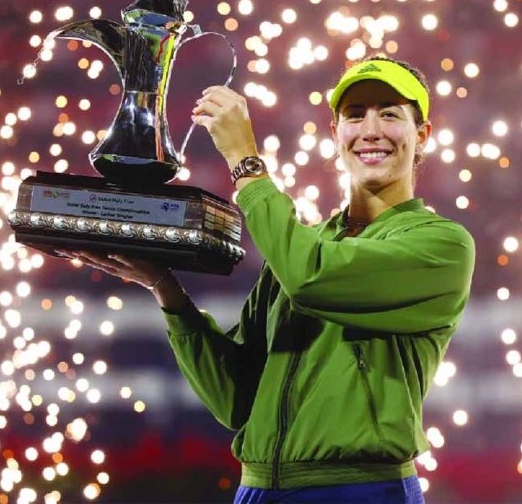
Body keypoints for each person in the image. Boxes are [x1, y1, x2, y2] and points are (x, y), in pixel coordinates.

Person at [65, 55, 476, 503]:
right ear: (335, 134)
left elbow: (312, 278)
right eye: (355, 115)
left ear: (422, 136)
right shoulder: (298, 246)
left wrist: (245, 163)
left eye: (390, 114)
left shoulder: (441, 245)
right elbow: (237, 402)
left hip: (360, 489)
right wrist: (166, 290)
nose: (371, 129)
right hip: (257, 488)